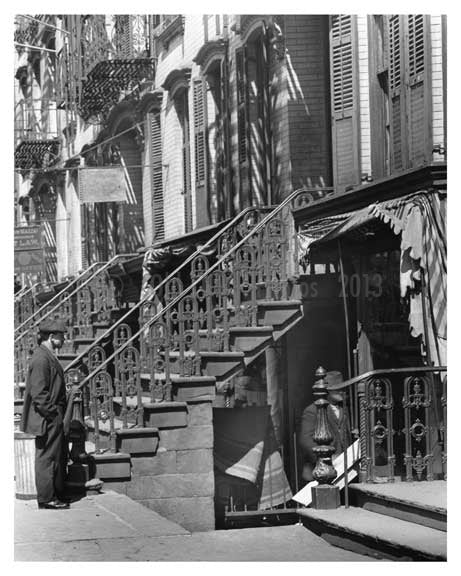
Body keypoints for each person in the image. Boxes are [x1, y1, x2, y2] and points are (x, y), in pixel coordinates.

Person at [20, 318, 70, 509]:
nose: (64, 339)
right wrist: (53, 415)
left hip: (50, 414)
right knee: (47, 458)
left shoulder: (46, 355)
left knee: (53, 456)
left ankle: (52, 495)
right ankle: (47, 498)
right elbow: (39, 393)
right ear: (51, 336)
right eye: (61, 335)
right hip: (47, 417)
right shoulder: (41, 358)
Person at [299, 371, 351, 483]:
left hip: (344, 467)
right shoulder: (313, 410)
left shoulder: (345, 409)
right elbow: (305, 440)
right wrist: (324, 458)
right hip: (320, 470)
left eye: (343, 389)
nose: (342, 392)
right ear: (328, 391)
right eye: (337, 389)